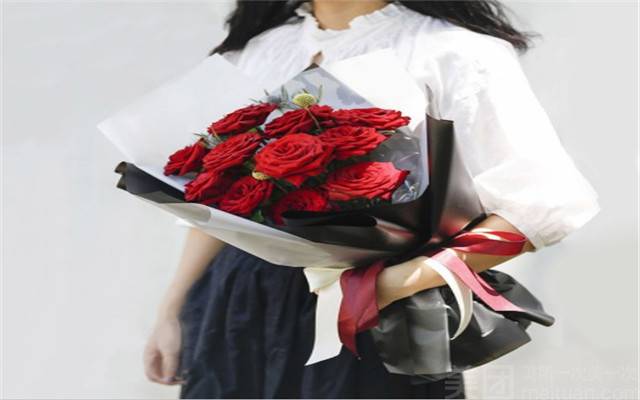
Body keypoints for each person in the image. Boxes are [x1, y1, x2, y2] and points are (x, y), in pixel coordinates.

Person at [143, 1, 600, 398]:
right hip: (238, 305)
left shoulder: (454, 51)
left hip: (371, 316)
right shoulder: (259, 50)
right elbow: (218, 202)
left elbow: (544, 205)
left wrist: (391, 286)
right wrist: (173, 309)